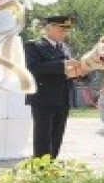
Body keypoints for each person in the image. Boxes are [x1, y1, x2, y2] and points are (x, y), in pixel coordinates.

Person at [25, 15, 83, 158]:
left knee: (57, 135)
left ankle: (52, 165)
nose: (64, 33)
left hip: (63, 97)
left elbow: (70, 70)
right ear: (48, 28)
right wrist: (63, 65)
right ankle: (41, 168)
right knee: (43, 135)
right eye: (61, 29)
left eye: (66, 30)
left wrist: (81, 71)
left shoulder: (65, 47)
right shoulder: (34, 46)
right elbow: (33, 68)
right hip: (43, 97)